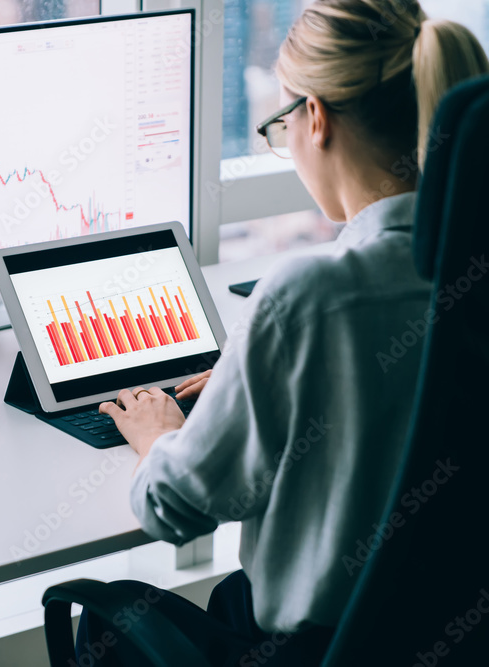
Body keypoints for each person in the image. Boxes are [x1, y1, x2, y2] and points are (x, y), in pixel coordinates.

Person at [75, 1, 489, 665]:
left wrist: (159, 434)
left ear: (315, 118)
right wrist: (263, 381)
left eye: (279, 124)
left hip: (316, 650)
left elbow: (173, 509)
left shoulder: (308, 296)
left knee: (101, 622)